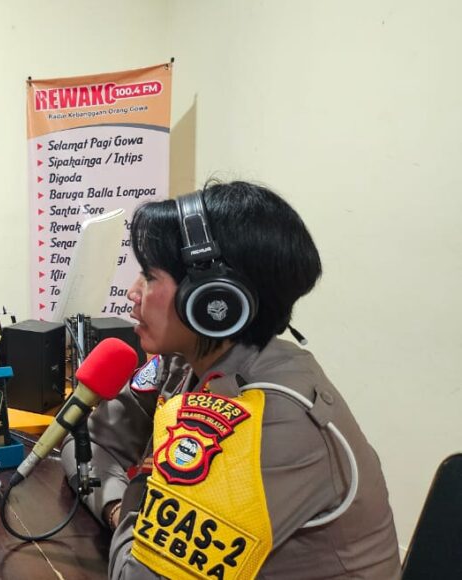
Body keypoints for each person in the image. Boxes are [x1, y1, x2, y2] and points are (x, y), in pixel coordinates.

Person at [62, 181, 401, 579]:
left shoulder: (274, 418)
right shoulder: (186, 363)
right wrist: (119, 508)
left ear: (211, 301)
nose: (132, 292)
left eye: (150, 276)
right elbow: (88, 444)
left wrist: (132, 501)